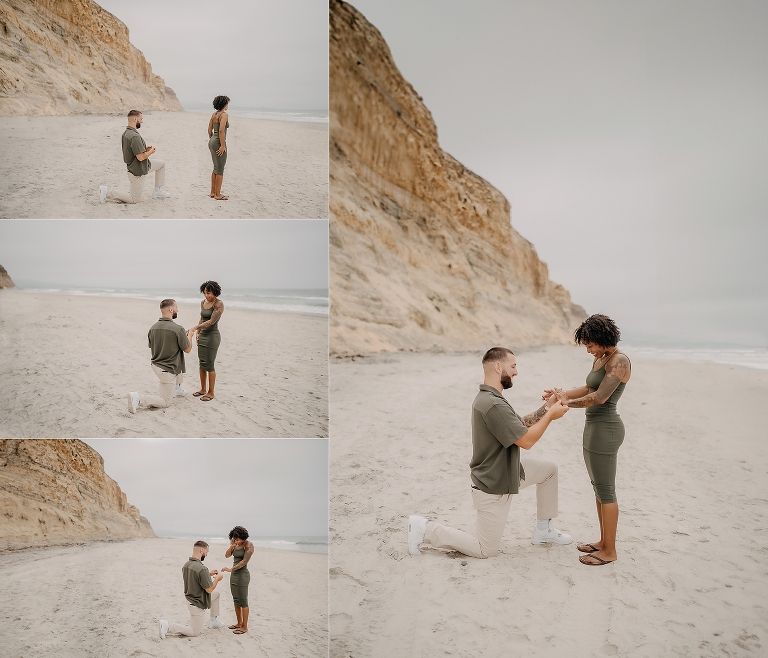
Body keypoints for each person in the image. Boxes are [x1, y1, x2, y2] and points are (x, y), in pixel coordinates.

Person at [408, 347, 572, 559]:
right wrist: (550, 415)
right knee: (485, 549)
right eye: (513, 366)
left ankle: (544, 530)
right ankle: (424, 529)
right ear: (497, 367)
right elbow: (527, 440)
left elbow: (519, 425)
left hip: (509, 471)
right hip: (493, 486)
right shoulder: (492, 403)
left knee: (549, 471)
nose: (516, 372)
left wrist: (546, 407)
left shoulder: (491, 397)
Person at [545, 314, 631, 566]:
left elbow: (601, 397)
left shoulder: (620, 361)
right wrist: (560, 394)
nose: (588, 349)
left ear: (603, 339)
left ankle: (610, 551)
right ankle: (604, 541)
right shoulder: (602, 358)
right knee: (598, 487)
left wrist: (566, 404)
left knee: (606, 491)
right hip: (593, 427)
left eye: (590, 344)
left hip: (606, 428)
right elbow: (588, 388)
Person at [128, 298, 195, 413]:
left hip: (156, 365)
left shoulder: (153, 328)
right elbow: (188, 349)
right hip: (167, 370)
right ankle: (138, 398)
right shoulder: (178, 329)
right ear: (170, 309)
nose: (177, 310)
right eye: (176, 307)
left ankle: (177, 388)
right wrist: (190, 336)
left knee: (176, 359)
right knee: (165, 402)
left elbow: (153, 345)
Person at [159, 540, 227, 639]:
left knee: (216, 594)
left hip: (190, 599)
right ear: (201, 550)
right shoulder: (202, 568)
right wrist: (217, 579)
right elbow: (209, 590)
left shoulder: (186, 565)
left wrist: (209, 574)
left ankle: (213, 620)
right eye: (207, 552)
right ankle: (168, 626)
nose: (207, 554)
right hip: (197, 603)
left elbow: (195, 578)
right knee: (195, 632)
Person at [99, 110, 171, 204]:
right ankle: (107, 192)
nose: (142, 121)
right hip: (137, 170)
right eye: (141, 119)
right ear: (135, 119)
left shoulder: (126, 133)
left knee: (161, 164)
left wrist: (144, 148)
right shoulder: (134, 136)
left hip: (144, 165)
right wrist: (150, 152)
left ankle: (157, 191)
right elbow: (140, 157)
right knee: (134, 199)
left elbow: (131, 149)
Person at [190, 281, 225, 402]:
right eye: (204, 293)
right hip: (203, 335)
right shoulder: (203, 302)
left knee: (209, 364)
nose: (206, 295)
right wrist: (198, 334)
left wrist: (195, 328)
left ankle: (211, 392)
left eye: (208, 293)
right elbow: (202, 319)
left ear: (215, 291)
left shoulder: (219, 304)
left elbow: (211, 321)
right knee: (201, 363)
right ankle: (203, 389)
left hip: (212, 336)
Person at [222, 526, 254, 635]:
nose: (236, 541)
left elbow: (244, 562)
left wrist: (231, 569)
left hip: (242, 575)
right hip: (234, 575)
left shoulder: (249, 545)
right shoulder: (234, 543)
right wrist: (232, 546)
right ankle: (239, 623)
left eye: (238, 539)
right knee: (236, 599)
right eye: (234, 539)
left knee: (243, 601)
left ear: (243, 537)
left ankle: (244, 627)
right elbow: (227, 555)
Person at [208, 96, 230, 200]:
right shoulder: (224, 115)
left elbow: (209, 129)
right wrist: (222, 145)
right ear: (224, 104)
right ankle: (218, 194)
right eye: (227, 103)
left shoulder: (214, 114)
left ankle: (213, 192)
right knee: (220, 169)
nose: (228, 105)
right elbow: (221, 130)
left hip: (212, 141)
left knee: (215, 167)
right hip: (218, 142)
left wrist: (212, 140)